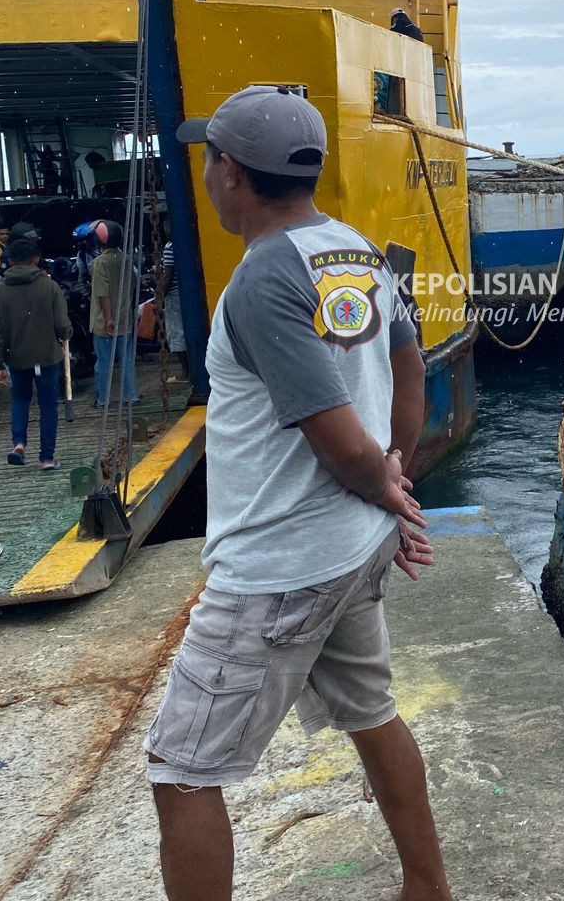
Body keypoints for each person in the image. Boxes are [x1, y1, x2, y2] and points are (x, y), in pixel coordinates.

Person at [147, 85, 444, 901]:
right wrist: (398, 479)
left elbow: (340, 443)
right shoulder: (355, 250)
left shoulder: (259, 282)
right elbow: (410, 367)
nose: (207, 177)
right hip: (347, 550)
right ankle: (428, 887)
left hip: (279, 567)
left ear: (232, 174)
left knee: (181, 771)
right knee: (372, 712)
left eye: (211, 161)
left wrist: (388, 492)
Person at [0, 237, 71, 472]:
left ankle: (19, 444)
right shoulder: (49, 286)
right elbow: (62, 324)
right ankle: (46, 458)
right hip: (47, 356)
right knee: (48, 405)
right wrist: (66, 333)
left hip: (16, 357)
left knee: (20, 400)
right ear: (36, 259)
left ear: (10, 261)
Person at [88, 220, 139, 408]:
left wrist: (109, 318)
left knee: (104, 362)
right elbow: (133, 283)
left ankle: (104, 399)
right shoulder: (126, 258)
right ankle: (131, 395)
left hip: (105, 321)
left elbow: (103, 293)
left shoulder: (99, 263)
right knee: (126, 358)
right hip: (125, 317)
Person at [153, 238, 188, 382]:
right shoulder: (185, 243)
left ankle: (185, 373)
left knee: (176, 333)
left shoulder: (169, 246)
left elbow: (167, 275)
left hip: (173, 295)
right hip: (185, 293)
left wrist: (159, 298)